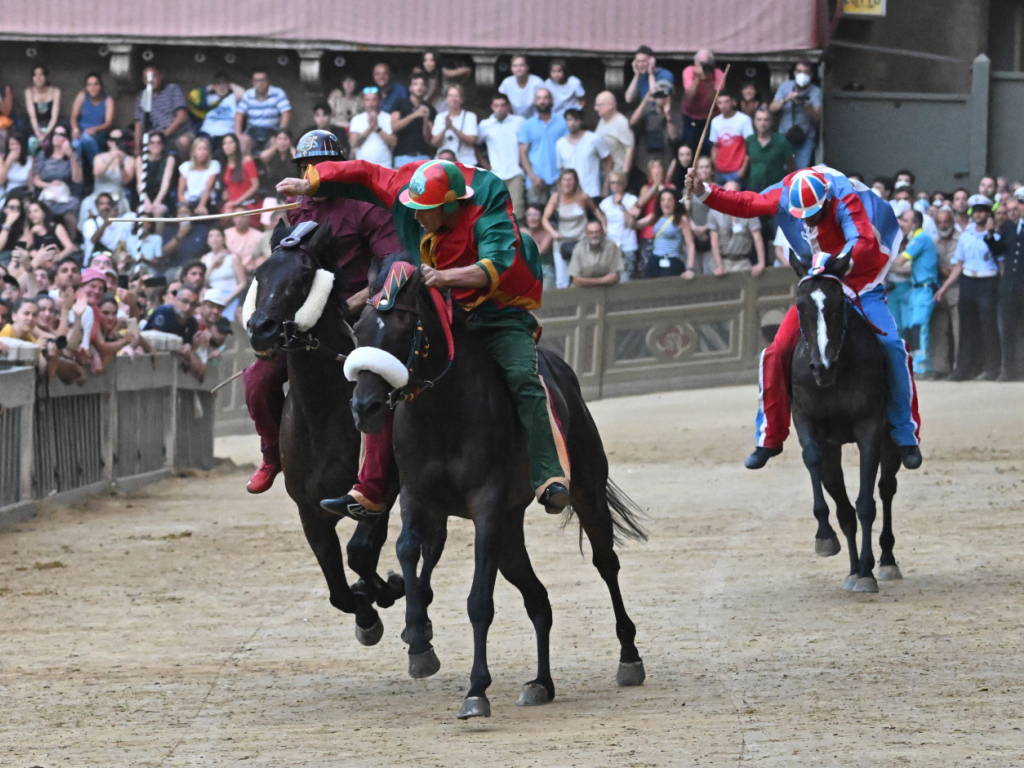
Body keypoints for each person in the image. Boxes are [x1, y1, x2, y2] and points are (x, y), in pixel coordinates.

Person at [279, 157, 571, 516]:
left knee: (523, 376)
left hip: (497, 310)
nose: (415, 216)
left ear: (451, 206)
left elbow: (495, 265)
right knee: (384, 367)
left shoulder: (489, 202)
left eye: (425, 211)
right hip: (439, 299)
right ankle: (370, 489)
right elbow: (364, 173)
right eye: (412, 208)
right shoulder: (406, 188)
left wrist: (443, 278)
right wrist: (314, 181)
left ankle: (549, 474)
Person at [685, 165, 923, 471]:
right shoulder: (785, 193)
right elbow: (746, 203)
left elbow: (863, 239)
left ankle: (905, 436)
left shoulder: (843, 196)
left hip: (859, 283)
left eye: (813, 215)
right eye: (802, 216)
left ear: (826, 202)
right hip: (819, 285)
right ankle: (768, 437)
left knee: (893, 347)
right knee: (775, 352)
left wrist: (837, 262)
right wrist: (704, 191)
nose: (807, 221)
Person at [242, 129, 402, 494]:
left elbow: (392, 264)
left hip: (358, 312)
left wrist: (359, 301)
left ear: (340, 168)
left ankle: (401, 464)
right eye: (308, 166)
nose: (315, 171)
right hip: (305, 320)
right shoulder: (296, 212)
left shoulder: (366, 207)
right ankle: (272, 455)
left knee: (388, 379)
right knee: (256, 381)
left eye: (324, 165)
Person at [934, 194, 1001, 380]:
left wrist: (990, 234)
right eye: (976, 211)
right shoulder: (966, 236)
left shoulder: (995, 235)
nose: (979, 215)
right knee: (967, 328)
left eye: (983, 211)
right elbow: (959, 265)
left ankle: (991, 368)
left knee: (988, 328)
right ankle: (964, 369)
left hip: (988, 281)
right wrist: (944, 288)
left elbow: (1000, 260)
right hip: (969, 282)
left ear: (988, 214)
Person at [542, 168, 605, 289]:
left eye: (570, 180)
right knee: (562, 280)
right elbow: (545, 219)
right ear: (560, 182)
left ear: (575, 181)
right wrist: (553, 232)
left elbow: (596, 211)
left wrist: (603, 224)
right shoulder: (556, 197)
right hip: (562, 240)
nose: (567, 183)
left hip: (581, 240)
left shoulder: (583, 197)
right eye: (565, 180)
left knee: (583, 276)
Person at [896, 208, 938, 376]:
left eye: (905, 221)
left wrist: (882, 262)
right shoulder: (918, 238)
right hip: (917, 289)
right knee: (912, 327)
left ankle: (923, 365)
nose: (902, 224)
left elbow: (900, 261)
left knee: (919, 327)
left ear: (915, 223)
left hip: (925, 288)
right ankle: (917, 364)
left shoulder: (920, 238)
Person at [476, 92, 525, 220]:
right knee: (495, 210)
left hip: (515, 172)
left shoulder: (519, 122)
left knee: (517, 211)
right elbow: (475, 145)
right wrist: (484, 164)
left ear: (508, 106)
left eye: (503, 105)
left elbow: (526, 144)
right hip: (496, 174)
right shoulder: (485, 124)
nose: (500, 108)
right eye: (496, 105)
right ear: (492, 107)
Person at [517, 88, 567, 206]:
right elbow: (523, 153)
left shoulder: (562, 122)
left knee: (558, 218)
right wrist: (532, 176)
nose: (542, 101)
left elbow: (568, 149)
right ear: (535, 102)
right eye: (539, 98)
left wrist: (562, 176)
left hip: (559, 179)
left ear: (551, 100)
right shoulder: (527, 125)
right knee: (535, 217)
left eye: (545, 98)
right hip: (535, 179)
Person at [769, 60, 821, 170]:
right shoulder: (785, 87)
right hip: (784, 136)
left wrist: (806, 106)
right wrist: (786, 99)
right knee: (782, 170)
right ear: (794, 73)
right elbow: (772, 108)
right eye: (799, 71)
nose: (802, 75)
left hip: (805, 137)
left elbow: (818, 117)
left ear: (811, 75)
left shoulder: (815, 91)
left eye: (806, 72)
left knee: (800, 171)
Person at [30, 126, 82, 232]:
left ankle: (72, 241)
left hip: (66, 194)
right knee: (42, 208)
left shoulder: (73, 156)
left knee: (71, 210)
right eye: (55, 133)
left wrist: (71, 156)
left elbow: (77, 179)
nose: (57, 137)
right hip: (46, 193)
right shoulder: (43, 155)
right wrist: (50, 185)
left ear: (67, 138)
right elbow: (35, 180)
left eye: (61, 135)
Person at [133, 67, 192, 159]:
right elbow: (139, 124)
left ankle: (183, 171)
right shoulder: (143, 96)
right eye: (147, 78)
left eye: (153, 77)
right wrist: (137, 147)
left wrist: (164, 134)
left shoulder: (172, 89)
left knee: (183, 141)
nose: (151, 80)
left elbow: (181, 117)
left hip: (179, 132)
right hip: (157, 135)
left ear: (161, 76)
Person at [707, 180, 764, 275]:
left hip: (743, 262)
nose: (731, 195)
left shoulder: (749, 211)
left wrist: (761, 263)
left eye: (734, 192)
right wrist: (719, 265)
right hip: (723, 261)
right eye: (727, 192)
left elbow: (757, 237)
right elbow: (714, 241)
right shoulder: (714, 212)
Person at [995, 193, 1024, 379]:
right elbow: (1000, 251)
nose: (1016, 210)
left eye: (1020, 206)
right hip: (1009, 286)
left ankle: (1021, 369)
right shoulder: (1008, 227)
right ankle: (1008, 369)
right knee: (1006, 329)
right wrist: (992, 234)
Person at [637, 188, 696, 278]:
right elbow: (634, 225)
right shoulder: (655, 216)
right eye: (663, 200)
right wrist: (632, 208)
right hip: (654, 259)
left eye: (669, 200)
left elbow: (690, 245)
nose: (666, 203)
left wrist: (690, 269)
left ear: (675, 202)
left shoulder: (681, 219)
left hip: (672, 261)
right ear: (659, 203)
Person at [928, 207, 960, 376]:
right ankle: (940, 368)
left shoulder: (961, 239)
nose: (943, 225)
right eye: (939, 222)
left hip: (957, 290)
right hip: (938, 290)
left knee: (958, 331)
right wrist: (941, 268)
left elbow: (961, 264)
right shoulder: (933, 242)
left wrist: (952, 270)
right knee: (939, 330)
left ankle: (958, 367)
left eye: (946, 222)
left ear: (952, 222)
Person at [555, 108, 609, 200]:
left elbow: (608, 161)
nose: (572, 123)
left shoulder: (594, 139)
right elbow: (561, 170)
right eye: (569, 119)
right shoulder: (560, 143)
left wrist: (606, 187)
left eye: (575, 119)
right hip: (570, 194)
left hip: (592, 191)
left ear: (581, 121)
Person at [680, 50, 726, 154]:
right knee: (689, 145)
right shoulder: (689, 71)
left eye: (707, 64)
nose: (705, 67)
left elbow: (715, 100)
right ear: (695, 64)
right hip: (690, 115)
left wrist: (708, 80)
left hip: (711, 116)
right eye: (701, 64)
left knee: (708, 146)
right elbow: (689, 97)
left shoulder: (718, 74)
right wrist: (697, 79)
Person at [629, 80, 680, 175]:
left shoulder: (675, 116)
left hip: (666, 162)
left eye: (664, 95)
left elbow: (674, 137)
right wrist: (646, 99)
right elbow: (632, 122)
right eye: (659, 95)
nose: (661, 98)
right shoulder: (647, 113)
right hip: (645, 162)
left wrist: (668, 115)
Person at [235, 70, 292, 152]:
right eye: (256, 81)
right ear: (252, 82)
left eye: (263, 80)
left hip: (272, 130)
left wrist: (280, 133)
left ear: (268, 81)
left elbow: (286, 113)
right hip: (252, 130)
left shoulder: (278, 93)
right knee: (244, 142)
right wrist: (239, 135)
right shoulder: (248, 94)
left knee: (276, 142)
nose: (260, 83)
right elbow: (239, 114)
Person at [70, 72, 114, 170]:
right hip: (80, 131)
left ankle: (96, 169)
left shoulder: (108, 100)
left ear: (101, 86)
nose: (92, 88)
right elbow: (73, 116)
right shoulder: (82, 96)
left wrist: (94, 129)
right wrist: (75, 128)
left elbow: (108, 122)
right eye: (89, 85)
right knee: (75, 144)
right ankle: (78, 175)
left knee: (86, 139)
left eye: (95, 84)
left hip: (98, 134)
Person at [391, 73, 436, 167]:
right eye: (415, 84)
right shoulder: (400, 104)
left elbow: (429, 139)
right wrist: (415, 115)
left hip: (424, 156)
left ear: (426, 88)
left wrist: (425, 118)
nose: (419, 87)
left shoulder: (430, 109)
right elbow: (394, 127)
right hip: (402, 156)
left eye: (422, 84)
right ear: (410, 88)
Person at [745, 107, 794, 194]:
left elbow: (791, 166)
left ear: (771, 122)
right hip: (754, 188)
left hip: (776, 188)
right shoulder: (749, 141)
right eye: (759, 120)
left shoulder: (781, 141)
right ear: (754, 122)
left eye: (766, 120)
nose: (762, 123)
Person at [599, 171, 638, 279]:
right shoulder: (605, 203)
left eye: (618, 183)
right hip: (611, 245)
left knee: (626, 277)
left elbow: (631, 223)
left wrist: (621, 206)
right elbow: (603, 222)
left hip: (628, 243)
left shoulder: (631, 199)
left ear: (624, 184)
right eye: (612, 183)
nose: (615, 186)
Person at [201, 227, 246, 321]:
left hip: (231, 297)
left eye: (218, 235)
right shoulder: (205, 259)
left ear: (223, 239)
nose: (214, 239)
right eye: (211, 236)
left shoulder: (233, 257)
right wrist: (212, 265)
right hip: (212, 298)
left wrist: (226, 300)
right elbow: (203, 283)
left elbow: (243, 283)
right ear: (207, 240)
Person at [593, 91, 634, 193]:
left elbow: (629, 148)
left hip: (615, 177)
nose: (595, 108)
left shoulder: (621, 122)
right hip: (602, 173)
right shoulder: (602, 120)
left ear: (610, 105)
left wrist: (624, 175)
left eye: (599, 105)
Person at [708, 93, 753, 184]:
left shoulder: (744, 119)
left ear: (733, 103)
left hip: (737, 170)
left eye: (726, 102)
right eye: (719, 103)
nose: (723, 105)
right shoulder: (715, 121)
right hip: (719, 171)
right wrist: (715, 166)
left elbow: (750, 146)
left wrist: (742, 170)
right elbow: (714, 147)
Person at [349, 87, 397, 167]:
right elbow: (353, 144)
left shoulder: (388, 118)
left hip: (384, 166)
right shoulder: (356, 119)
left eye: (374, 100)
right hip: (363, 168)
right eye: (367, 100)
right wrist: (370, 128)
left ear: (380, 101)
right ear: (363, 102)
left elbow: (393, 143)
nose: (370, 104)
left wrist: (377, 128)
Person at [430, 85, 477, 166]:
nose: (453, 99)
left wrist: (452, 128)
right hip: (443, 164)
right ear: (446, 99)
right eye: (450, 96)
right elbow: (434, 142)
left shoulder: (470, 116)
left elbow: (472, 140)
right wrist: (445, 128)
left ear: (462, 99)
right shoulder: (440, 117)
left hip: (465, 162)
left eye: (457, 96)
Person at [568, 220, 623, 286]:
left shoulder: (611, 247)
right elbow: (576, 280)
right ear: (586, 234)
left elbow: (615, 277)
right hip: (583, 291)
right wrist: (602, 280)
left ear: (602, 232)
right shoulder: (579, 248)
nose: (594, 235)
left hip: (607, 290)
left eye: (597, 232)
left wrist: (586, 281)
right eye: (591, 233)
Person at [177, 136, 220, 214]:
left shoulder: (214, 165)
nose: (202, 152)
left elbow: (208, 188)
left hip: (207, 201)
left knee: (203, 211)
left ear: (209, 151)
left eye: (205, 149)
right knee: (183, 212)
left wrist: (201, 205)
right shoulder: (185, 166)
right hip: (189, 202)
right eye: (199, 149)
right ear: (194, 152)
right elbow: (180, 193)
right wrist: (186, 205)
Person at [25, 65, 61, 155]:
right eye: (35, 75)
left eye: (41, 74)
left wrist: (45, 135)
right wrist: (38, 134)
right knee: (31, 141)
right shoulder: (29, 91)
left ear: (46, 77)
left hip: (51, 125)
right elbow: (32, 116)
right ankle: (32, 164)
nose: (38, 78)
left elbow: (54, 117)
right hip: (35, 125)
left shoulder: (55, 91)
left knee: (52, 141)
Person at [219, 133, 259, 213]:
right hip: (231, 203)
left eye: (231, 142)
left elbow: (255, 186)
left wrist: (237, 202)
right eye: (225, 143)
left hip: (247, 202)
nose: (228, 146)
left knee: (234, 213)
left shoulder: (247, 161)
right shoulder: (224, 165)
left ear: (236, 145)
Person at [197, 73, 240, 147]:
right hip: (206, 133)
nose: (221, 86)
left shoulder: (232, 98)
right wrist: (208, 88)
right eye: (218, 83)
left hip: (226, 135)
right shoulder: (208, 98)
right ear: (213, 86)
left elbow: (243, 94)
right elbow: (194, 96)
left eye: (224, 83)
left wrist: (231, 85)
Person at [327, 73, 360, 141]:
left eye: (351, 81)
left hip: (355, 132)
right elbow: (328, 118)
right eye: (345, 81)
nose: (348, 84)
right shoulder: (336, 96)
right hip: (337, 130)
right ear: (342, 84)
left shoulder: (360, 99)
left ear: (356, 83)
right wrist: (345, 124)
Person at [1, 135, 32, 199]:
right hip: (7, 193)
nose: (15, 147)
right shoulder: (2, 159)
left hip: (23, 193)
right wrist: (8, 162)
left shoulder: (30, 160)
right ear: (8, 146)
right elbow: (1, 181)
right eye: (12, 144)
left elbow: (30, 183)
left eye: (17, 144)